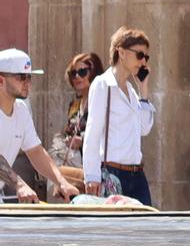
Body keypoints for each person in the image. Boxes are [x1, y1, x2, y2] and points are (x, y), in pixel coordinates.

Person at [82, 27, 157, 205]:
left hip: (137, 175)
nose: (143, 61)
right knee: (113, 230)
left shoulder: (131, 91)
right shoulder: (103, 85)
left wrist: (143, 91)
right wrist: (91, 175)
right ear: (121, 52)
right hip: (112, 174)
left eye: (146, 57)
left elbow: (144, 129)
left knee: (145, 227)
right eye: (139, 55)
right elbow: (92, 133)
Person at [0, 48, 79, 203]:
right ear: (1, 80)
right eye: (21, 77)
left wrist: (61, 182)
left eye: (29, 77)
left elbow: (36, 151)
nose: (27, 83)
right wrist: (19, 184)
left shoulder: (21, 110)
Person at [49, 51, 103, 186]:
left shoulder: (102, 101)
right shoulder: (74, 104)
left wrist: (83, 141)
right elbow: (69, 130)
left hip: (97, 170)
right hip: (76, 167)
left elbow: (111, 134)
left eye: (82, 72)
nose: (77, 77)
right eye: (73, 73)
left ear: (94, 72)